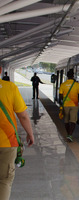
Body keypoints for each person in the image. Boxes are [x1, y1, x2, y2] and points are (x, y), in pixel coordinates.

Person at [0, 66, 34, 200]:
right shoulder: (10, 88)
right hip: (7, 143)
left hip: (8, 142)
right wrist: (30, 134)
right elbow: (23, 116)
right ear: (0, 70)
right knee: (4, 180)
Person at [59, 69, 79, 142]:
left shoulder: (63, 85)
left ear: (67, 76)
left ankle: (68, 134)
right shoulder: (77, 85)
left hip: (66, 105)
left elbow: (60, 96)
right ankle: (70, 135)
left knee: (66, 120)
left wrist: (66, 100)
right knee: (73, 121)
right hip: (74, 105)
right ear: (73, 76)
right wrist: (75, 100)